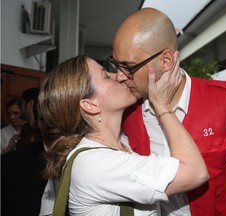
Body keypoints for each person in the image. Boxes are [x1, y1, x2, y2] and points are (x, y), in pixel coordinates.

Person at [109, 8, 226, 215]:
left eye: (127, 66)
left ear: (166, 61)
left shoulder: (225, 103)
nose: (119, 76)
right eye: (116, 64)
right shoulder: (125, 110)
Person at [37, 54, 208, 215]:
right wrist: (161, 104)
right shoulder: (95, 164)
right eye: (106, 76)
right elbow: (195, 173)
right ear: (90, 105)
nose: (118, 76)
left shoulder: (121, 144)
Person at [1, 112, 62, 215]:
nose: (50, 124)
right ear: (37, 121)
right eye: (43, 118)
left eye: (57, 116)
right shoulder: (12, 164)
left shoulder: (86, 160)